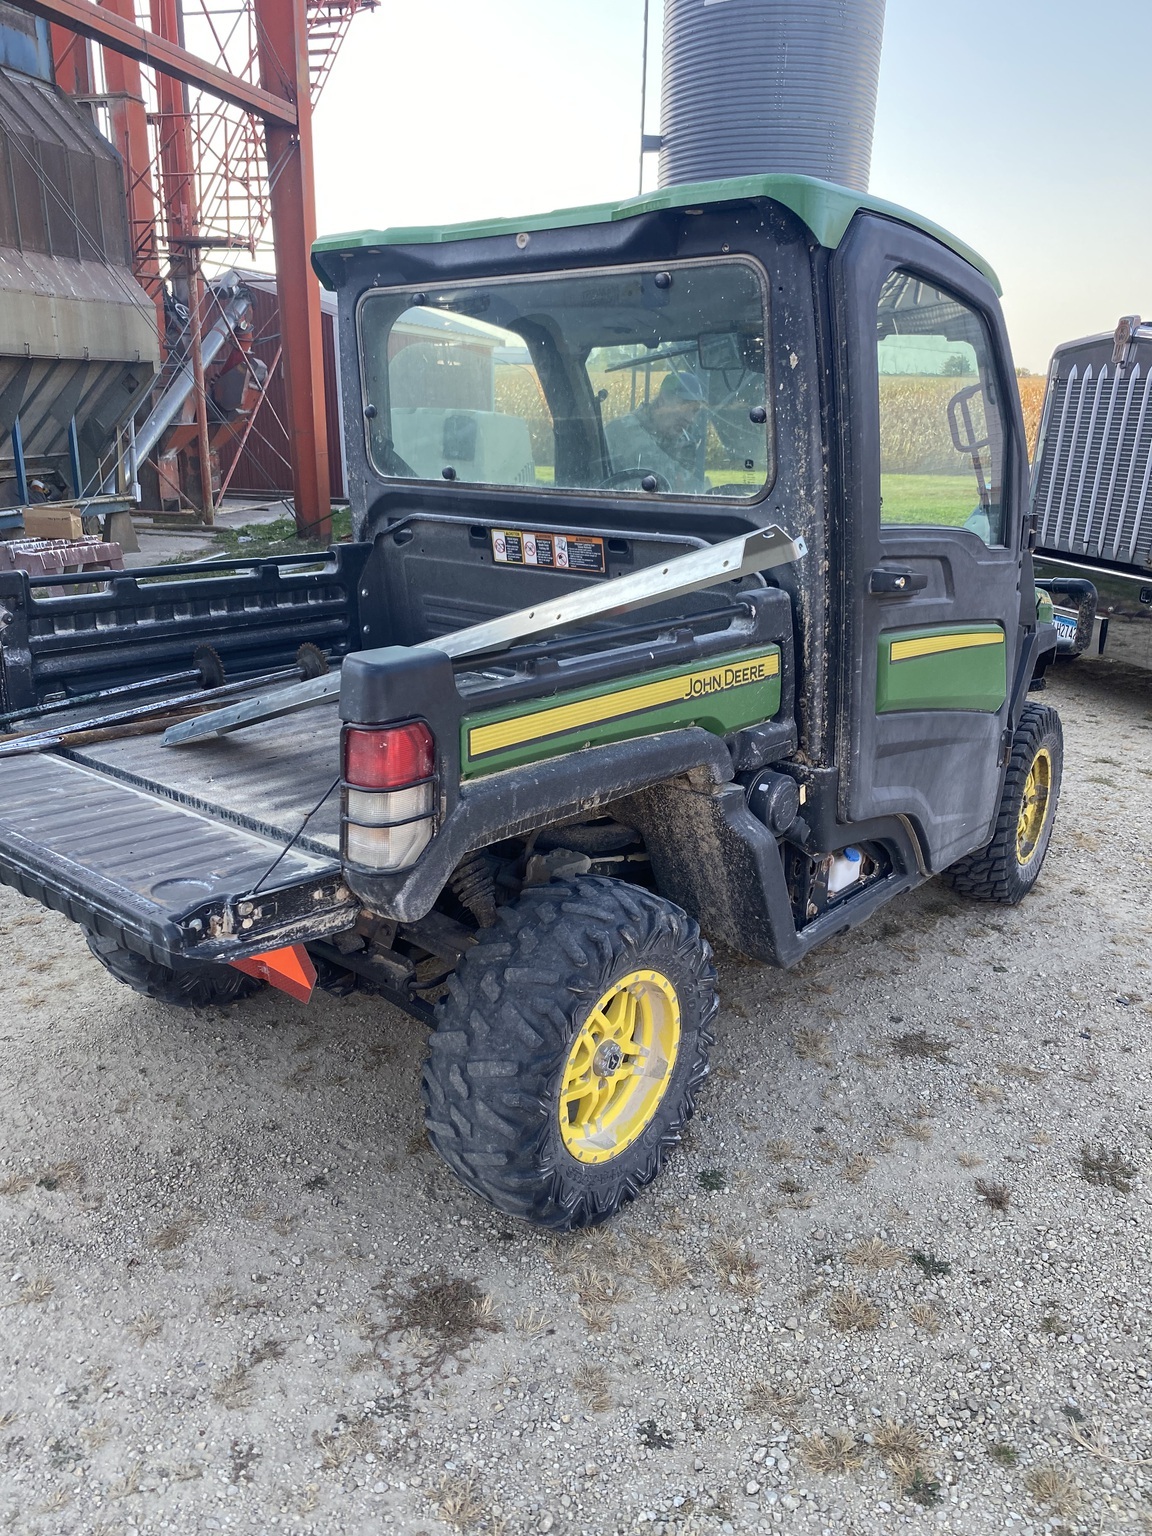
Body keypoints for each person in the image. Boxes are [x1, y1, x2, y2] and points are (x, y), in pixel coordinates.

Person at [603, 371, 708, 493]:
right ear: (663, 400)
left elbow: (686, 492)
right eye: (684, 407)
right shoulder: (618, 432)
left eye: (694, 411)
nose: (689, 419)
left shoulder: (686, 445)